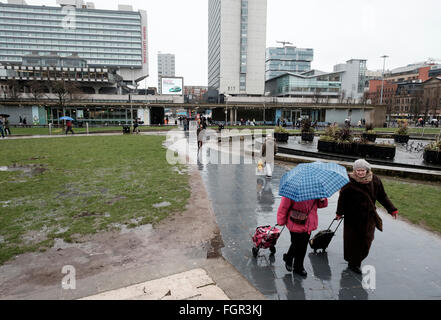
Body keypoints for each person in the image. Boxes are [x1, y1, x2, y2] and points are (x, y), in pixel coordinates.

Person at [335, 159, 398, 274]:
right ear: (354, 170)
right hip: (352, 217)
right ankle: (354, 263)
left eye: (362, 170)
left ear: (367, 170)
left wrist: (392, 209)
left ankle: (356, 260)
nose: (360, 173)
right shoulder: (348, 182)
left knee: (367, 240)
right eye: (358, 170)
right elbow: (342, 199)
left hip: (369, 217)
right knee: (352, 241)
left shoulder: (375, 180)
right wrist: (339, 212)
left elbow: (382, 196)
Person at [277, 196, 328, 277]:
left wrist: (322, 200)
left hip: (309, 221)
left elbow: (320, 205)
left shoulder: (314, 189)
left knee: (303, 245)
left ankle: (298, 266)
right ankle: (290, 258)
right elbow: (284, 206)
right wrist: (281, 220)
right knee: (296, 243)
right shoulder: (292, 188)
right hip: (295, 221)